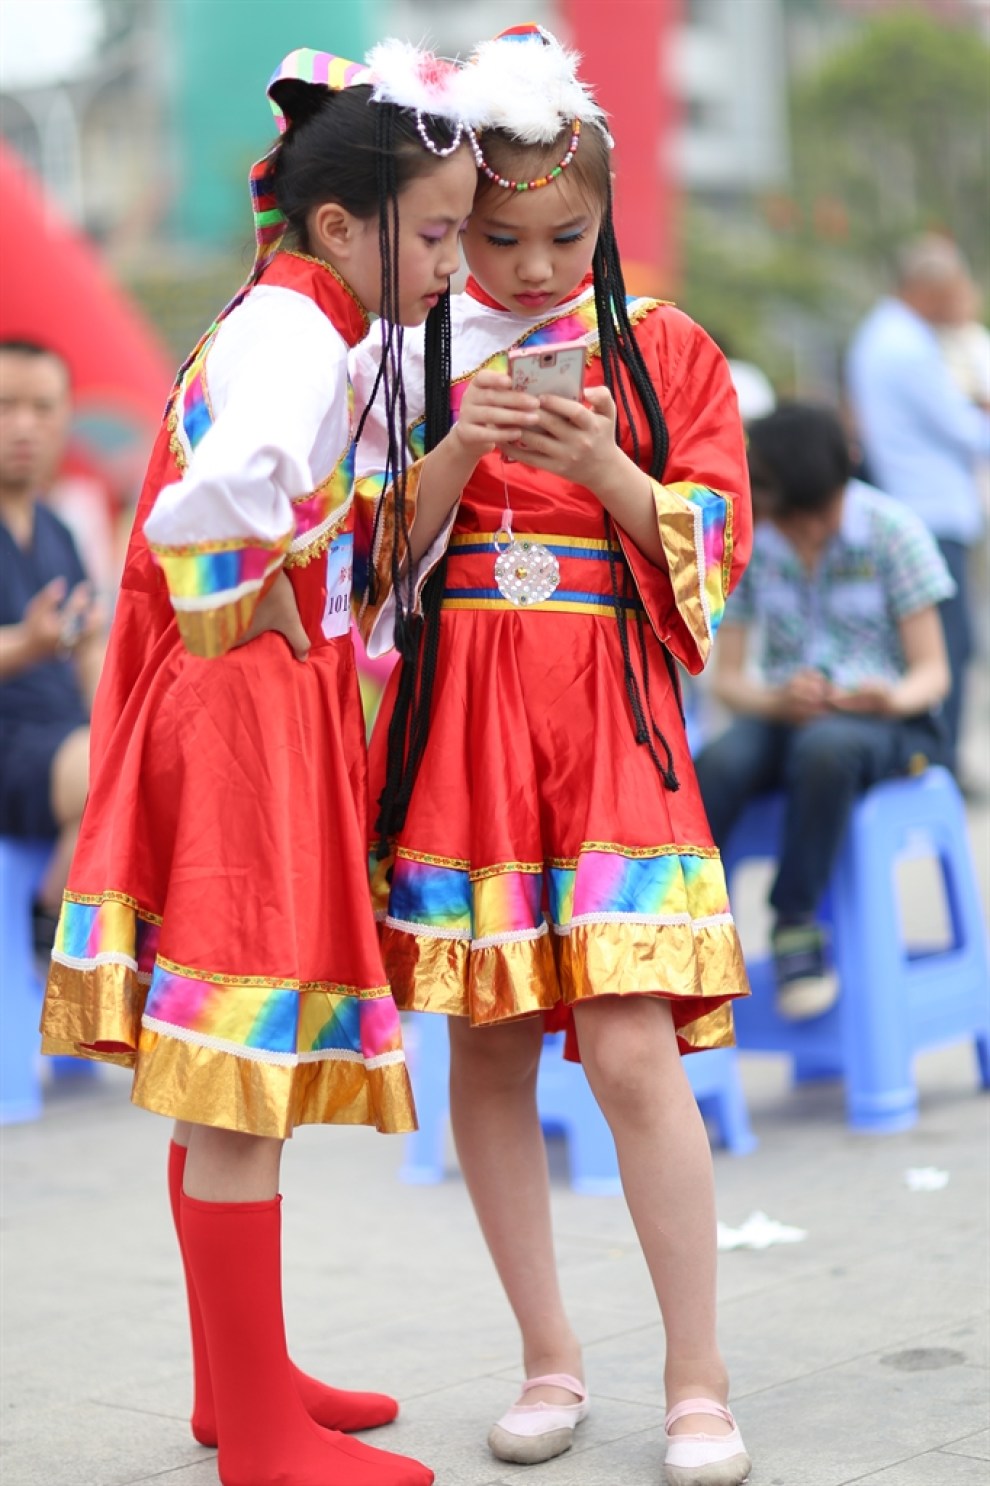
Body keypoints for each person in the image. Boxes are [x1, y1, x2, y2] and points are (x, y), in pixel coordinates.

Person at [39, 43, 477, 1486]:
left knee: (226, 1056)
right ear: (343, 222)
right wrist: (272, 592)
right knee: (243, 1055)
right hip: (245, 710)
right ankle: (260, 1441)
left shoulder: (299, 317)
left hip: (234, 701)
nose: (451, 259)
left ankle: (245, 1384)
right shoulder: (298, 336)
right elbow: (213, 504)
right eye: (434, 230)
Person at [353, 25, 753, 1486]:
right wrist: (455, 447)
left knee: (635, 1044)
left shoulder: (667, 349)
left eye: (561, 236)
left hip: (605, 725)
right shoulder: (406, 354)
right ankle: (545, 1357)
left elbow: (718, 543)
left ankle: (696, 1377)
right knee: (491, 1041)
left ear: (604, 220)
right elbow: (355, 567)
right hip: (462, 723)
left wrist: (609, 472)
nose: (527, 267)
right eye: (497, 237)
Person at [693, 403, 953, 1020]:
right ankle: (699, 921)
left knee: (828, 748)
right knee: (719, 761)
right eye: (790, 520)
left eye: (816, 516)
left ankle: (795, 922)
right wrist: (775, 701)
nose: (804, 534)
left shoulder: (894, 531)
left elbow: (932, 673)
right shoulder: (757, 538)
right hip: (788, 715)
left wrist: (887, 698)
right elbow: (728, 681)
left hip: (889, 724)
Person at [846, 235, 990, 777]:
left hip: (918, 510)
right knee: (950, 649)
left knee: (944, 647)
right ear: (928, 288)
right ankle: (939, 762)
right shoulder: (906, 346)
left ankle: (936, 757)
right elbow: (967, 431)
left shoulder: (886, 336)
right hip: (930, 516)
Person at [0, 340, 105, 952]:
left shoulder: (59, 530)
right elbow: (44, 642)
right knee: (112, 770)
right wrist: (30, 645)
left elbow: (88, 647)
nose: (24, 425)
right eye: (6, 405)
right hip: (10, 744)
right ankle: (50, 929)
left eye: (42, 407)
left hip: (64, 740)